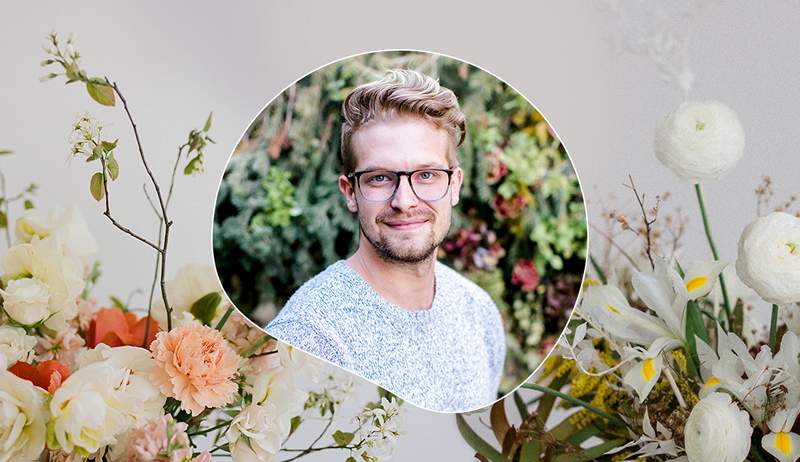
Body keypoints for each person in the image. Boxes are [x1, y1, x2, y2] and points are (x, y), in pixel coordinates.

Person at [266, 69, 505, 412]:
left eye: (426, 175)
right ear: (350, 193)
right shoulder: (309, 337)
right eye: (380, 178)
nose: (405, 201)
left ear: (454, 185)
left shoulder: (478, 312)